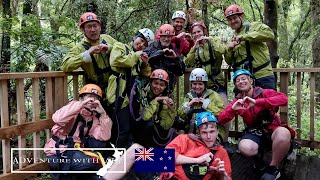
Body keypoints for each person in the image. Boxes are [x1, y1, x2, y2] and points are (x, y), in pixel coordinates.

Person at [218, 69, 295, 180]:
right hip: (255, 133)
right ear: (235, 85)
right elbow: (221, 119)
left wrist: (257, 102)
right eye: (237, 80)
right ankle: (261, 159)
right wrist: (232, 110)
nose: (241, 82)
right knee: (245, 147)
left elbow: (284, 99)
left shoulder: (264, 92)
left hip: (273, 130)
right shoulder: (238, 101)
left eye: (244, 78)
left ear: (251, 80)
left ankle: (273, 168)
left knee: (283, 134)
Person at [44, 84, 112, 180]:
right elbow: (58, 119)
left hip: (76, 149)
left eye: (95, 98)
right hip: (59, 151)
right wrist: (81, 105)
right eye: (89, 96)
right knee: (89, 163)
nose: (92, 100)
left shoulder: (92, 118)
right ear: (81, 98)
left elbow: (104, 136)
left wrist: (103, 114)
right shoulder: (73, 107)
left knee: (99, 145)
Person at [106, 28, 154, 148]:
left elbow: (146, 74)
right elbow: (116, 61)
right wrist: (136, 55)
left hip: (132, 98)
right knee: (122, 129)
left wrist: (145, 64)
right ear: (135, 37)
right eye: (141, 40)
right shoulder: (120, 46)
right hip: (119, 96)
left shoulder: (137, 56)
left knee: (131, 129)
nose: (141, 44)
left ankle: (128, 159)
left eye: (145, 44)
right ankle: (117, 159)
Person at [185, 22, 231, 141]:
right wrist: (194, 47)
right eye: (194, 32)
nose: (197, 34)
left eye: (199, 31)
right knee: (203, 111)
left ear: (204, 31)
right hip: (202, 86)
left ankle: (223, 140)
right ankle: (204, 138)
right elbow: (188, 62)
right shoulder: (195, 48)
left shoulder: (212, 42)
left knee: (223, 112)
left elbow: (222, 50)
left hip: (217, 83)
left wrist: (210, 40)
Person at [160, 111, 232, 180]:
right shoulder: (184, 139)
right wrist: (197, 160)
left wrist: (223, 174)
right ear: (199, 133)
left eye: (212, 131)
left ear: (217, 132)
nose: (209, 136)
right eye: (204, 132)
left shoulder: (221, 152)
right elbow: (162, 158)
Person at [61, 12, 117, 98]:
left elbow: (124, 51)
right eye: (89, 27)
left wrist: (108, 48)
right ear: (83, 30)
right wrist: (87, 53)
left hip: (116, 86)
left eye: (95, 26)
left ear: (100, 27)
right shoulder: (79, 48)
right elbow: (65, 65)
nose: (93, 30)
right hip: (96, 90)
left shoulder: (107, 39)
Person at [224, 4, 276, 90]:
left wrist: (244, 37)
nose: (232, 21)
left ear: (242, 17)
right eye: (229, 19)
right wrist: (229, 49)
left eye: (235, 18)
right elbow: (229, 61)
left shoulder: (254, 26)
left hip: (262, 76)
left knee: (267, 102)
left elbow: (270, 34)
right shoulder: (233, 39)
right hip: (244, 80)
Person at [133, 69, 176, 148]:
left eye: (161, 85)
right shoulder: (143, 93)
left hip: (155, 129)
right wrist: (156, 100)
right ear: (150, 82)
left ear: (165, 86)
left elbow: (165, 126)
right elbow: (145, 117)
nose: (158, 87)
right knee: (148, 125)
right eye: (155, 83)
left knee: (172, 133)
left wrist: (170, 110)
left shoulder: (166, 97)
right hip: (141, 129)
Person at [178, 68, 225, 140]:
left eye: (200, 84)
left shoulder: (213, 95)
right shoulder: (189, 96)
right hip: (192, 132)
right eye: (194, 84)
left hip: (210, 132)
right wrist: (189, 104)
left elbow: (222, 114)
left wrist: (207, 104)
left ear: (205, 85)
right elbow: (181, 114)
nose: (197, 87)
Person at [144, 24, 185, 94]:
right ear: (160, 36)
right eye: (164, 36)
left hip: (166, 89)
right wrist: (161, 53)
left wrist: (176, 58)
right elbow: (145, 60)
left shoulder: (173, 51)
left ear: (172, 37)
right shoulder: (152, 48)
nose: (166, 39)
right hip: (150, 88)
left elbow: (181, 71)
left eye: (169, 37)